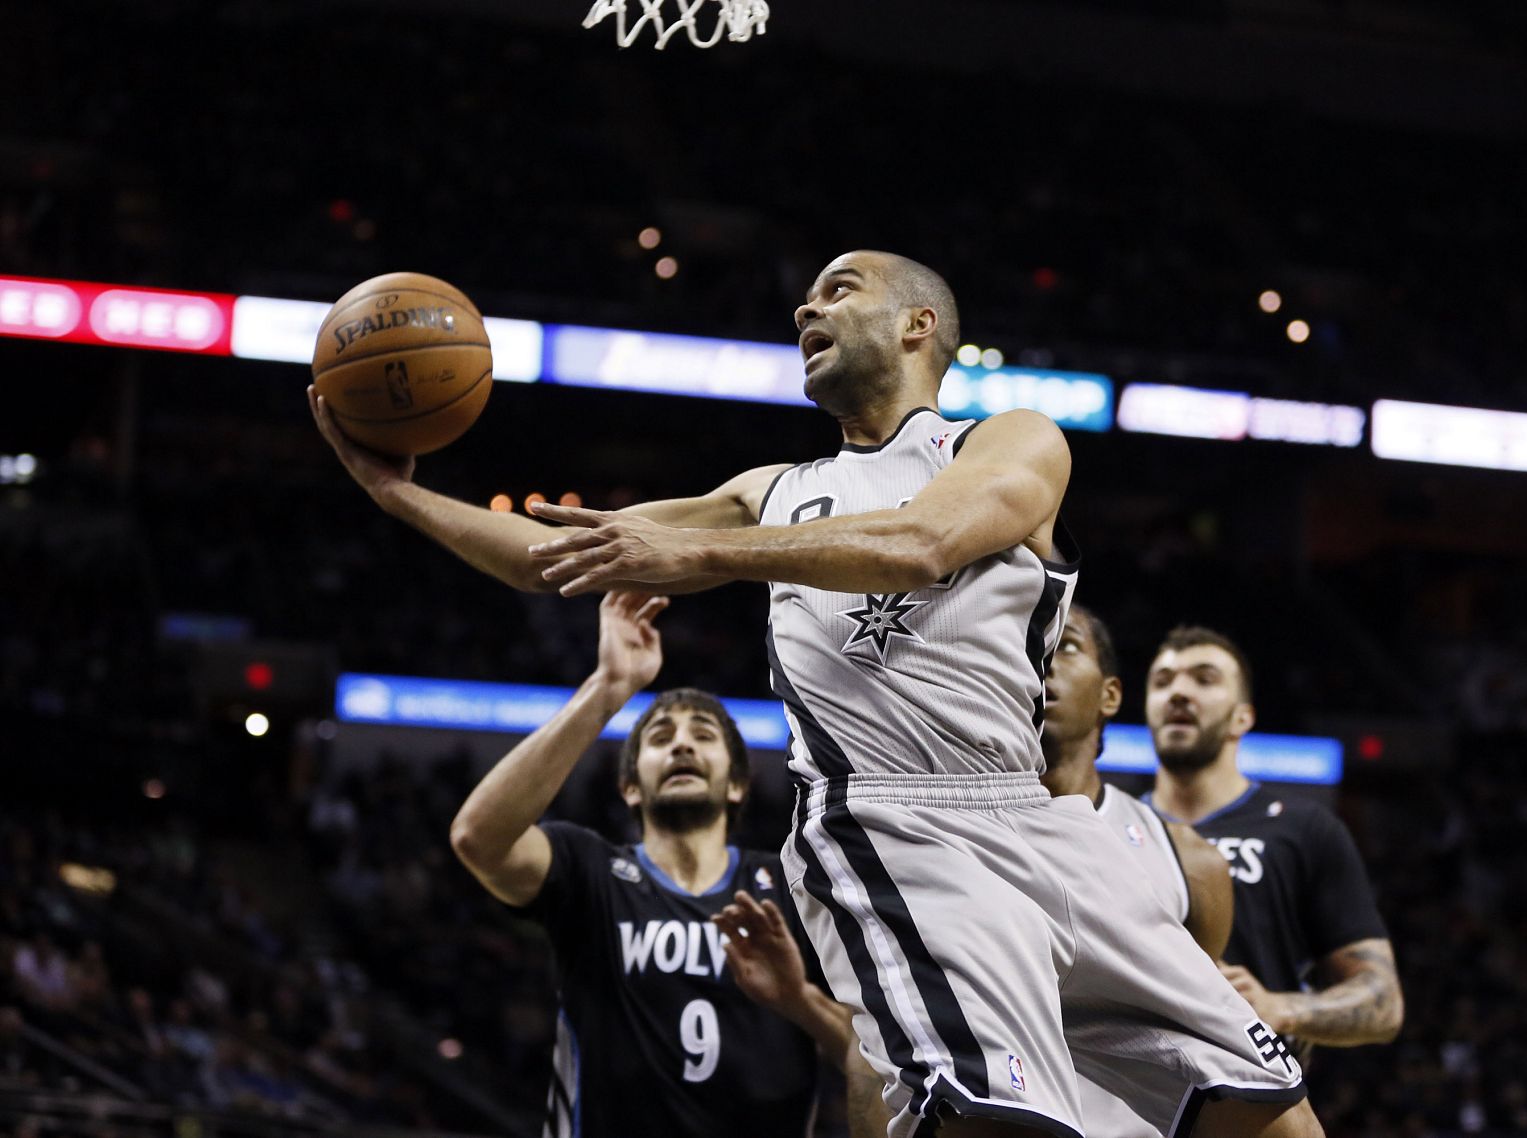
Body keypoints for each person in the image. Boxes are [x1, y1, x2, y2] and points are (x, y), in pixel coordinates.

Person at [314, 249, 1321, 1138]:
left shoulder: (1006, 440)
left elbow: (922, 544)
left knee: (1269, 1108)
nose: (805, 310)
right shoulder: (770, 491)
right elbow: (554, 558)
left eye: (838, 291)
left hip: (1043, 822)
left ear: (918, 325)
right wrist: (396, 494)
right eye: (801, 299)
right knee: (1005, 1122)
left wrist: (696, 549)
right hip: (896, 827)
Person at [449, 591, 859, 1137]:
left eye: (703, 736)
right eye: (661, 738)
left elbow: (871, 1054)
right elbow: (478, 838)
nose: (681, 746)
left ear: (738, 784)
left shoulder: (793, 884)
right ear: (628, 787)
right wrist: (608, 688)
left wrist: (797, 1001)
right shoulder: (589, 869)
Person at [1143, 625, 1405, 1063]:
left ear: (1242, 717)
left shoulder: (1304, 829)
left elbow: (1384, 1002)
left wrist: (1280, 1007)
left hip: (1255, 1102)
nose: (1179, 693)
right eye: (1163, 681)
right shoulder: (1110, 828)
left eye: (1204, 679)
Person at [1039, 604, 1234, 1138]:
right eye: (1024, 642)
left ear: (1111, 696)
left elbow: (1201, 1045)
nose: (1039, 659)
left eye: (1067, 645)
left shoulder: (1192, 863)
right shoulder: (943, 837)